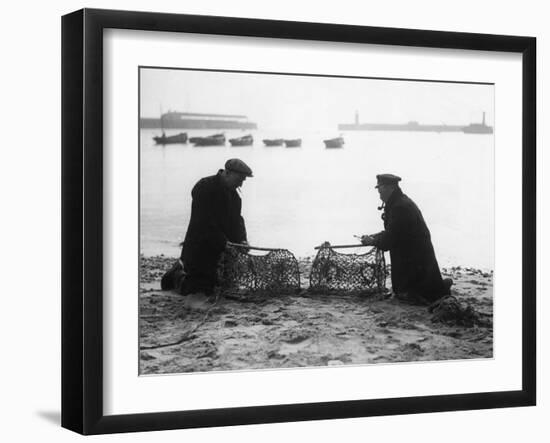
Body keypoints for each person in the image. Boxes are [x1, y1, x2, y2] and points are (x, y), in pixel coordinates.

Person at [161, 158, 253, 296]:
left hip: (220, 249)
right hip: (199, 248)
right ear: (227, 173)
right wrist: (224, 242)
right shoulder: (204, 187)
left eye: (243, 180)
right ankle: (177, 273)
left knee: (222, 286)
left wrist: (242, 240)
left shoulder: (235, 197)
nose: (241, 183)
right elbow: (204, 221)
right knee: (196, 290)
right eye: (239, 179)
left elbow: (237, 221)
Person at [360, 174, 452, 304]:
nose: (379, 192)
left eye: (380, 188)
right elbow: (394, 231)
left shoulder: (400, 207)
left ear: (389, 187)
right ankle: (439, 287)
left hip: (414, 258)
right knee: (419, 286)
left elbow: (389, 240)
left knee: (412, 293)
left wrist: (372, 241)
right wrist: (375, 236)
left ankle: (436, 290)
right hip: (416, 255)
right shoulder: (399, 202)